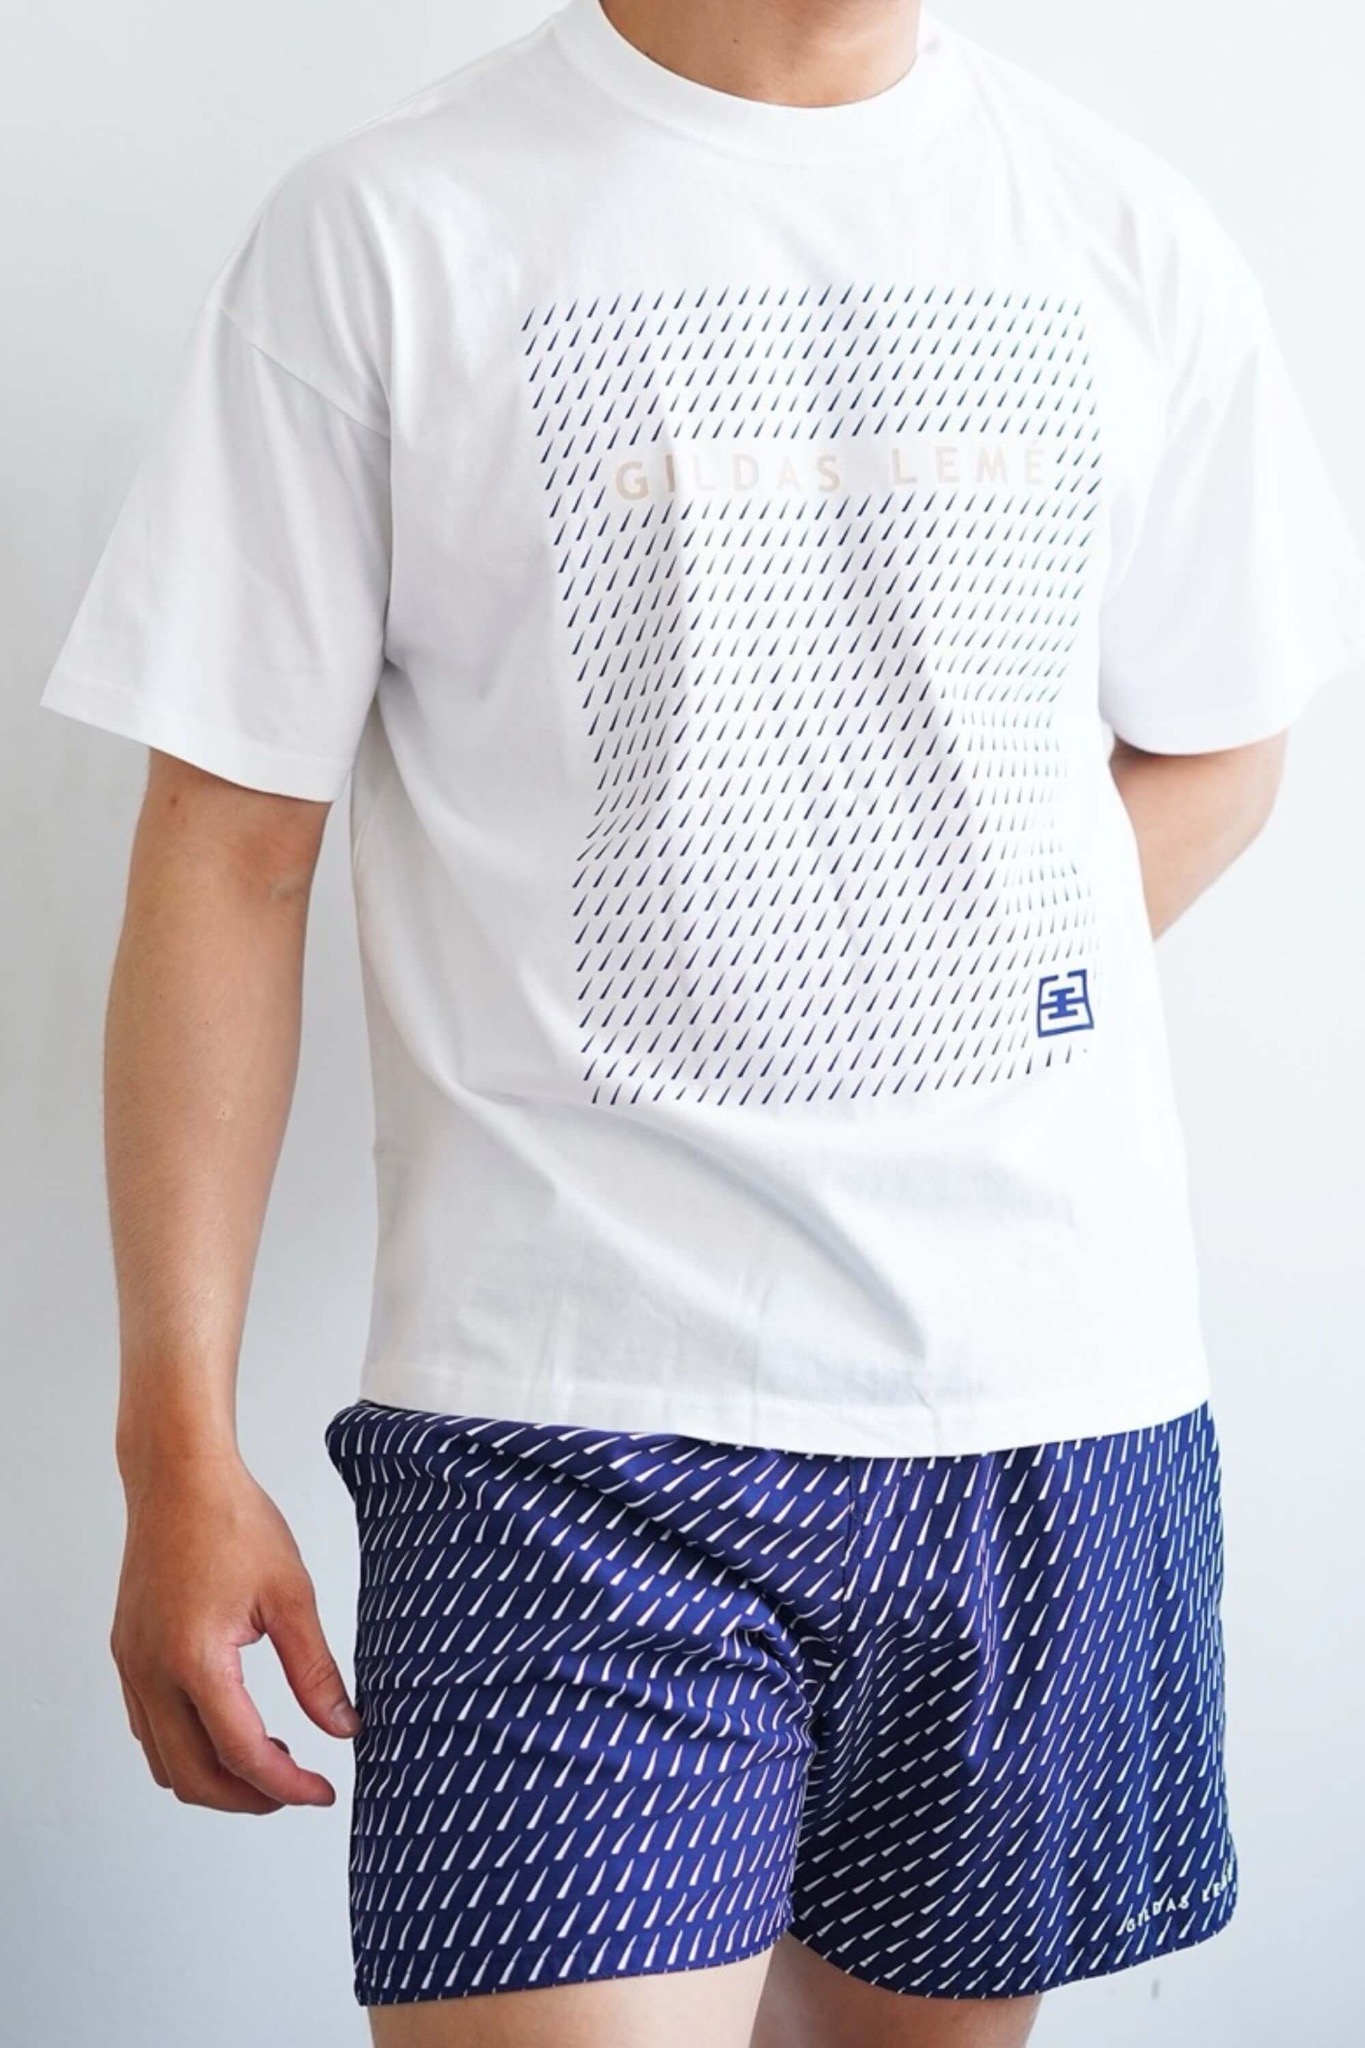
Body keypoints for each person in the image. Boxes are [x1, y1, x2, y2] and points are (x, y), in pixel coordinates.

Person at [39, 1, 1365, 2043]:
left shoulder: (1121, 229)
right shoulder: (392, 227)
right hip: (562, 1427)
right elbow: (230, 848)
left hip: (1040, 1399)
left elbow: (1223, 734)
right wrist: (172, 1444)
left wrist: (925, 985)